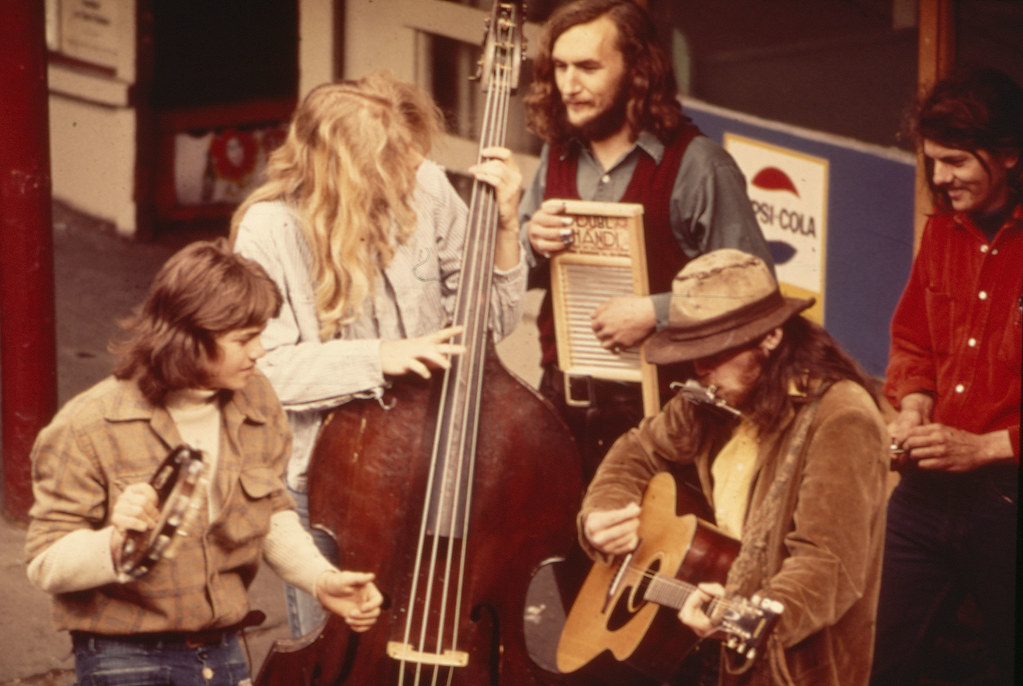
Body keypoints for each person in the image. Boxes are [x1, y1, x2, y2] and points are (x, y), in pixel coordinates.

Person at [230, 71, 527, 637]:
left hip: (431, 462)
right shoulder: (269, 228)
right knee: (337, 647)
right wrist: (380, 356)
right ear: (348, 170)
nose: (416, 173)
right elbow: (264, 368)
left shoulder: (427, 184)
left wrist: (507, 228)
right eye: (397, 165)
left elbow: (492, 322)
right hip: (326, 478)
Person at [24, 240, 383, 686]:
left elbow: (270, 512)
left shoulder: (257, 398)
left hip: (223, 649)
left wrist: (321, 579)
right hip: (125, 656)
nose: (259, 351)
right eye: (243, 339)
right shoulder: (87, 424)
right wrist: (115, 543)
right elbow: (44, 563)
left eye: (260, 334)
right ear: (187, 336)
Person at [579, 249, 889, 685]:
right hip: (707, 640)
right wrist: (603, 512)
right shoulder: (717, 395)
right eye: (692, 352)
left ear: (770, 337)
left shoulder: (841, 417)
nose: (700, 369)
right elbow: (639, 448)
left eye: (714, 352)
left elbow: (826, 565)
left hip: (792, 665)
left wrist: (742, 615)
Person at [519, 0, 773, 480]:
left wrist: (654, 313)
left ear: (637, 71)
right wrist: (531, 242)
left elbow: (754, 294)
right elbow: (516, 276)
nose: (569, 85)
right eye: (560, 67)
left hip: (662, 416)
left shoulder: (699, 165)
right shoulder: (557, 156)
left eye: (588, 67)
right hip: (564, 402)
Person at [870, 68, 1021, 686]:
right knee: (876, 658)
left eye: (955, 161)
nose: (939, 178)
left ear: (1008, 155)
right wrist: (914, 406)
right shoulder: (942, 229)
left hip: (1009, 496)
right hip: (928, 493)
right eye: (932, 161)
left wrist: (984, 448)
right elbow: (913, 341)